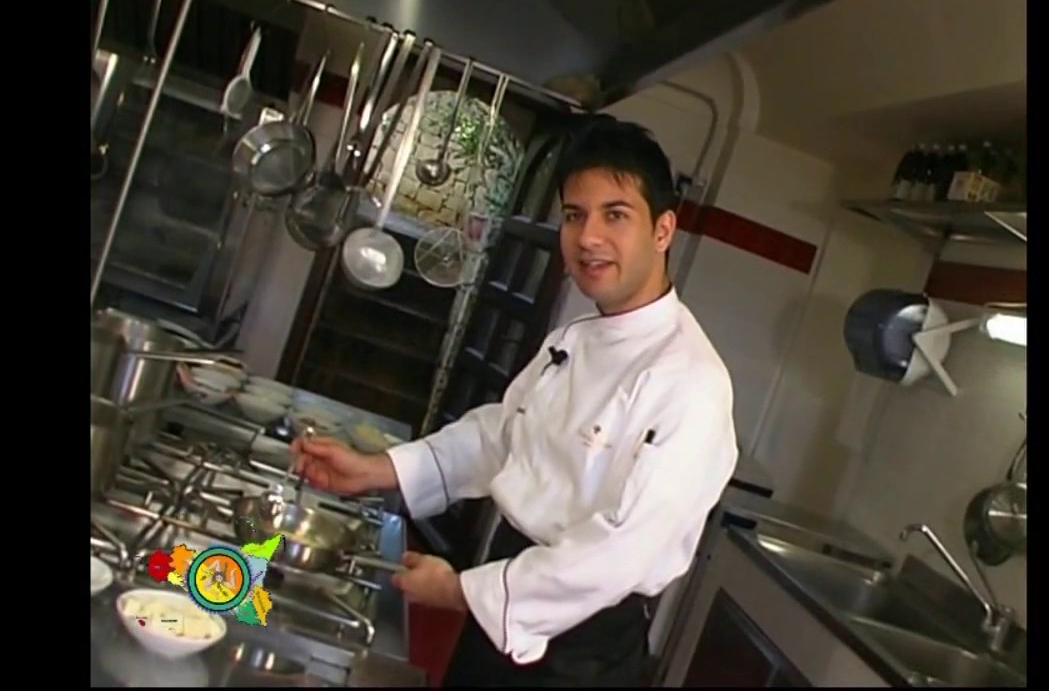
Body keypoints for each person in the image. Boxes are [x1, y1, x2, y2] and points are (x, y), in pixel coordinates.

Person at [292, 115, 739, 687]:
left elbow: (616, 554)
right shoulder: (574, 339)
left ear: (662, 230)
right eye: (574, 215)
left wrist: (460, 591)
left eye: (615, 215)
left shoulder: (690, 382)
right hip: (506, 597)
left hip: (582, 652)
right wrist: (379, 471)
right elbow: (504, 434)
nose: (589, 237)